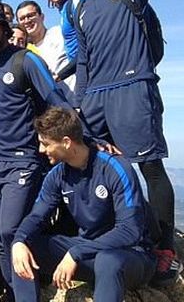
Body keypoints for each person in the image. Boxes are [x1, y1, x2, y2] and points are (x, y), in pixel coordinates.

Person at [73, 0, 184, 282]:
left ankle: (165, 249)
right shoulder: (81, 9)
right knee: (97, 168)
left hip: (133, 88)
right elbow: (84, 62)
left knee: (149, 166)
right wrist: (80, 104)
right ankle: (118, 236)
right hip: (95, 99)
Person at [0, 7, 85, 300]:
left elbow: (55, 98)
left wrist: (84, 137)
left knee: (14, 233)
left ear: (4, 27)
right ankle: (16, 293)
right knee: (0, 236)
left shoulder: (26, 60)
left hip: (22, 161)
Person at [11, 107, 156, 301]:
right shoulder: (58, 175)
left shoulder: (115, 168)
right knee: (26, 249)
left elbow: (130, 231)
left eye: (45, 144)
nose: (41, 150)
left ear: (66, 142)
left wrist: (77, 252)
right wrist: (19, 240)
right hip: (88, 252)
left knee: (108, 261)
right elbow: (37, 216)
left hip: (130, 256)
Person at [37, 0, 86, 83]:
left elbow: (92, 43)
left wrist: (61, 75)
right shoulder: (64, 9)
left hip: (93, 74)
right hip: (82, 73)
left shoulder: (78, 1)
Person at [16, 0, 75, 93]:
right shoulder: (23, 52)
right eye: (22, 18)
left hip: (78, 99)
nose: (27, 21)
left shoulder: (60, 33)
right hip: (52, 105)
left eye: (31, 15)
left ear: (42, 17)